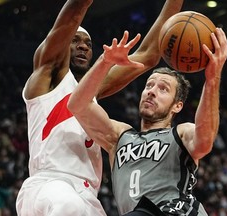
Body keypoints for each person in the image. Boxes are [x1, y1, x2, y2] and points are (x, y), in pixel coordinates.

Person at [15, 0, 185, 215]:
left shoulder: (90, 93)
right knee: (69, 207)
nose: (84, 46)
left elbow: (149, 55)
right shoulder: (46, 76)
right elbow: (73, 15)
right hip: (51, 184)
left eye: (88, 43)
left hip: (88, 196)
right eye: (75, 40)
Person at [67, 26, 227, 216]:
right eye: (149, 85)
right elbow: (77, 105)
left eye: (163, 89)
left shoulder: (180, 134)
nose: (151, 91)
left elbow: (205, 140)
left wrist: (212, 79)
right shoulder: (119, 136)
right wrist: (105, 62)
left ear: (177, 106)